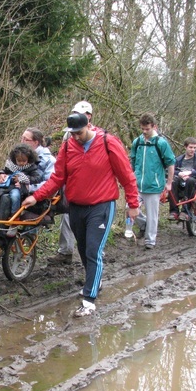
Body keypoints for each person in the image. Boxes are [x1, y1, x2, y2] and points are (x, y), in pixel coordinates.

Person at [22, 113, 140, 318]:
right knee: (83, 248)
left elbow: (126, 175)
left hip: (101, 206)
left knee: (94, 250)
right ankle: (95, 281)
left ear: (89, 126)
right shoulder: (68, 147)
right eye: (72, 133)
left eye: (79, 133)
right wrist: (36, 196)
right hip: (76, 206)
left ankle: (89, 300)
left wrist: (133, 204)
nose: (76, 137)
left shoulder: (107, 143)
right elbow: (57, 178)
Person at [48, 100, 96, 265]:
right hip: (70, 182)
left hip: (92, 186)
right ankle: (65, 250)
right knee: (68, 216)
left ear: (89, 117)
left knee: (92, 221)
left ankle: (95, 253)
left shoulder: (98, 135)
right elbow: (62, 161)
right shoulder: (68, 135)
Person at [130, 112, 176, 250]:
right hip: (138, 185)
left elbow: (170, 163)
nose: (144, 132)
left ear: (154, 127)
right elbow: (133, 161)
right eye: (142, 129)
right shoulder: (137, 142)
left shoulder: (161, 143)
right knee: (130, 208)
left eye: (147, 129)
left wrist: (169, 183)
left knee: (153, 215)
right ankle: (143, 224)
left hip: (154, 185)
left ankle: (150, 240)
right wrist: (131, 177)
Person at [168, 137, 196, 221]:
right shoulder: (179, 159)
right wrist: (179, 173)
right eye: (190, 147)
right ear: (185, 147)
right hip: (180, 182)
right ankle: (174, 211)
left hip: (195, 182)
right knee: (173, 181)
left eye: (194, 148)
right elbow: (171, 169)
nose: (193, 150)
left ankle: (185, 212)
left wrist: (191, 173)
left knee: (190, 180)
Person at [21, 127, 55, 192]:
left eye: (26, 139)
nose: (22, 142)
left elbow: (50, 183)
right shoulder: (18, 156)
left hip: (39, 197)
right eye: (22, 138)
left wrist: (29, 188)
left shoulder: (49, 160)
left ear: (36, 142)